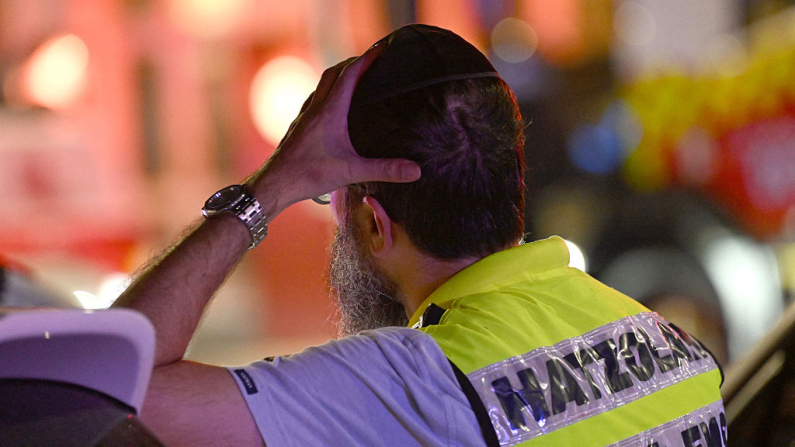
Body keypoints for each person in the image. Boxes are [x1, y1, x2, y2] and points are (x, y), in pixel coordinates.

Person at [114, 25, 726, 447]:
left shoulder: (416, 381)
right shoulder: (675, 348)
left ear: (375, 224)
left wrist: (271, 187)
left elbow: (110, 390)